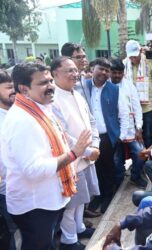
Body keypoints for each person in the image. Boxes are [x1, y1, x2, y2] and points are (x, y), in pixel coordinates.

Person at [1, 63, 91, 249]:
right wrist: (74, 154)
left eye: (50, 80)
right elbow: (33, 170)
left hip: (48, 199)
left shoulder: (40, 108)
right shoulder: (22, 120)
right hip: (35, 206)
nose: (51, 86)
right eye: (43, 83)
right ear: (24, 89)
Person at [51, 57, 100, 249]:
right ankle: (68, 239)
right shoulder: (53, 99)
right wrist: (87, 151)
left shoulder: (77, 94)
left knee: (82, 200)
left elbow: (92, 122)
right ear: (55, 74)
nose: (75, 74)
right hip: (71, 160)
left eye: (75, 70)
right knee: (71, 204)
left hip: (88, 157)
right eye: (69, 71)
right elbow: (62, 133)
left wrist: (95, 146)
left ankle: (79, 228)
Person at [86, 58, 121, 213]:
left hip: (107, 135)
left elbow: (121, 112)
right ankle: (98, 196)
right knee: (94, 167)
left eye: (107, 70)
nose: (104, 73)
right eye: (101, 69)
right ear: (93, 68)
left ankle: (108, 195)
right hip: (88, 136)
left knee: (107, 166)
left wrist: (120, 133)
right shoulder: (83, 86)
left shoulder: (114, 89)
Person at [109, 58, 147, 189]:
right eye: (114, 72)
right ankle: (118, 182)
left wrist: (139, 128)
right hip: (113, 130)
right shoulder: (105, 86)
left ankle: (135, 176)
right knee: (116, 159)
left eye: (120, 73)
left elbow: (137, 107)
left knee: (140, 153)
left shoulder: (129, 85)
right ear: (109, 72)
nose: (117, 76)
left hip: (130, 128)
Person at [124, 40, 152, 148]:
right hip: (131, 109)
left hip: (148, 109)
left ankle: (148, 161)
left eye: (135, 56)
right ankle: (139, 160)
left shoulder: (151, 64)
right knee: (134, 138)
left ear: (140, 51)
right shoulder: (124, 65)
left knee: (148, 136)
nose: (133, 59)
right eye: (130, 57)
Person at [0, 70, 16, 250]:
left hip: (19, 187)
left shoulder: (16, 113)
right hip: (5, 189)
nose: (13, 91)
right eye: (8, 87)